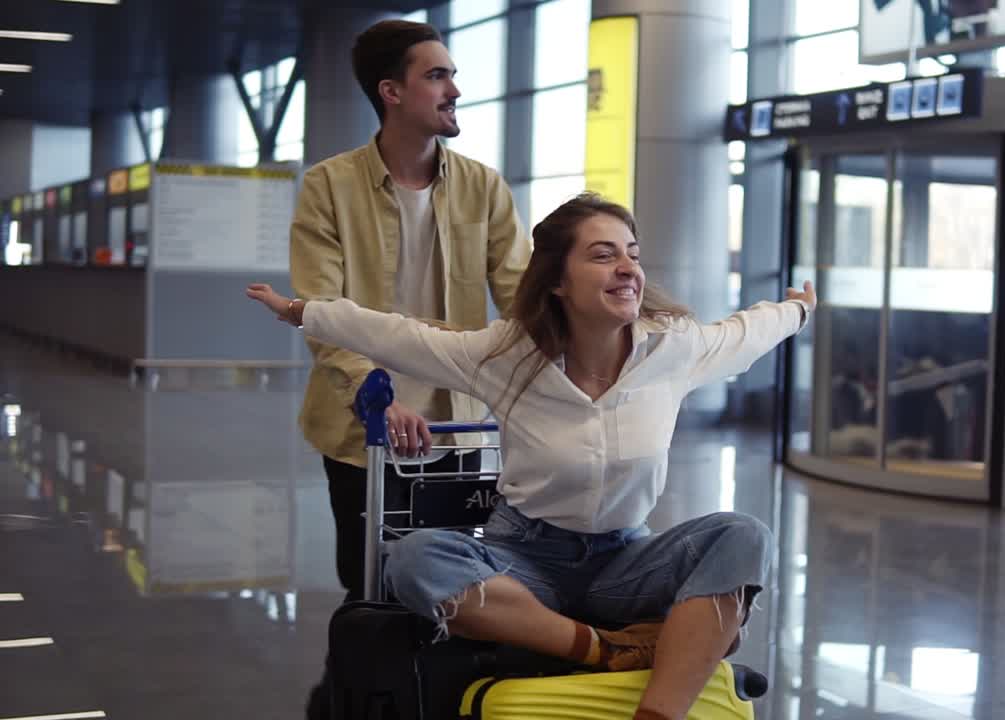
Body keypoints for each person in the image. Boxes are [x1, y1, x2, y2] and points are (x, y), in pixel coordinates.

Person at [249, 193, 815, 720]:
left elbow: (747, 331)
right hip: (524, 558)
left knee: (743, 536)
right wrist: (302, 311)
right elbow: (400, 336)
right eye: (603, 255)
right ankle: (605, 650)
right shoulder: (505, 355)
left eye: (632, 255)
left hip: (625, 561)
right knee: (417, 560)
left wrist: (799, 311)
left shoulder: (674, 349)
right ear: (558, 283)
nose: (627, 267)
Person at [291, 18, 530, 603]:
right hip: (362, 426)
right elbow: (321, 309)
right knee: (369, 577)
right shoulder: (329, 186)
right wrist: (376, 392)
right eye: (437, 75)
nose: (454, 90)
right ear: (390, 92)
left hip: (458, 425)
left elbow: (521, 294)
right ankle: (369, 684)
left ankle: (435, 683)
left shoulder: (484, 187)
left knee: (449, 574)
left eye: (452, 75)